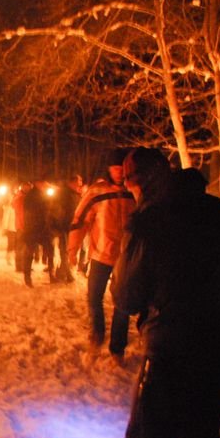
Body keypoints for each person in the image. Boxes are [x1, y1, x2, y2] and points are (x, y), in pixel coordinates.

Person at [111, 148, 220, 438]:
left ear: (138, 182)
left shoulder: (148, 220)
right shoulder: (218, 210)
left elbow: (127, 298)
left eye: (130, 184)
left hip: (171, 353)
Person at [68, 149, 135, 358]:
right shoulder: (97, 192)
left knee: (122, 303)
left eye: (121, 168)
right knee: (94, 297)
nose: (119, 172)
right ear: (108, 169)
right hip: (101, 255)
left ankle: (118, 347)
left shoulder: (135, 191)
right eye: (115, 168)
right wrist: (73, 248)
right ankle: (97, 335)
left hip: (126, 256)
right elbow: (80, 220)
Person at [20, 181, 47, 287]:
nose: (45, 186)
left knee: (48, 249)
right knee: (29, 253)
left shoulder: (39, 195)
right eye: (44, 184)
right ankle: (27, 277)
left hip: (39, 228)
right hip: (33, 229)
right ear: (38, 184)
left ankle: (53, 274)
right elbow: (31, 213)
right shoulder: (32, 196)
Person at [1, 191, 17, 265]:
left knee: (15, 244)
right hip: (11, 228)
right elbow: (6, 219)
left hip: (17, 228)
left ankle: (14, 258)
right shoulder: (9, 208)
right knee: (11, 244)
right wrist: (5, 229)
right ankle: (8, 258)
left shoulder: (15, 207)